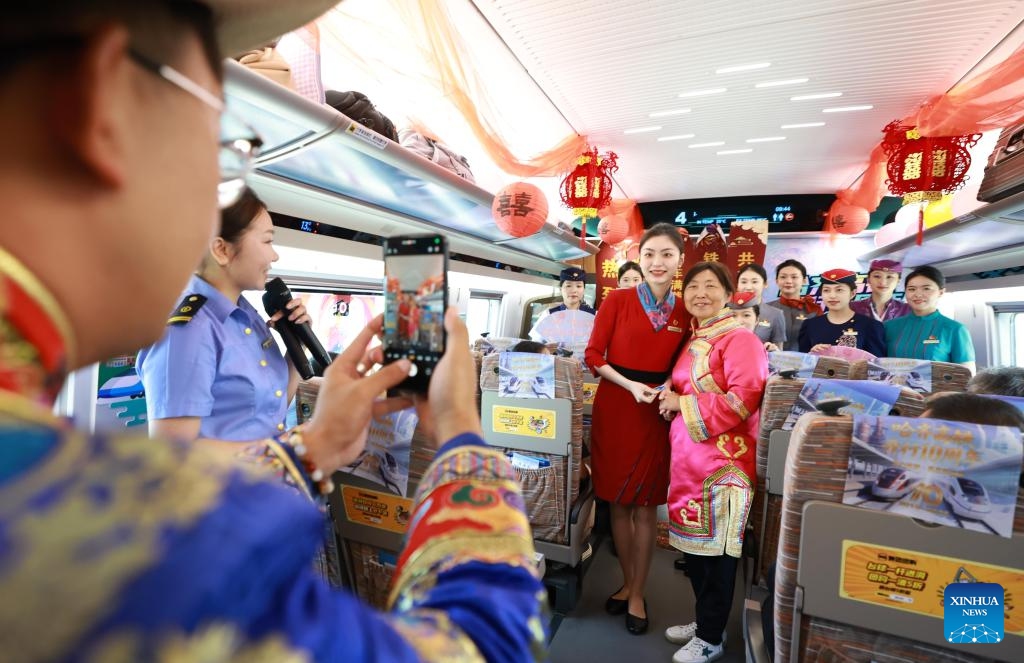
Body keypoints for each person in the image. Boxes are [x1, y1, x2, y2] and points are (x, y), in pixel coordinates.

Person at [0, 3, 546, 662]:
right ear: (103, 108)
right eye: (220, 146)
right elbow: (479, 647)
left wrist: (313, 444)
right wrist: (460, 430)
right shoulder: (129, 544)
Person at [657, 262, 768, 663]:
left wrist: (681, 402)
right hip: (690, 458)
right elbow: (688, 386)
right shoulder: (695, 337)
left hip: (725, 464)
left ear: (727, 292)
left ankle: (711, 636)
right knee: (696, 551)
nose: (700, 293)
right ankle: (706, 621)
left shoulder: (740, 340)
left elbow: (743, 399)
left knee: (718, 555)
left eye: (710, 286)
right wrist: (672, 395)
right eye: (693, 286)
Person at [137, 189, 309, 444]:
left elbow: (269, 416)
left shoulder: (247, 316)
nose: (274, 255)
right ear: (221, 249)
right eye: (267, 241)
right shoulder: (187, 332)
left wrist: (297, 348)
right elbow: (175, 457)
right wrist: (292, 453)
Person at [585, 223, 691, 635]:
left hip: (656, 412)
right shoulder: (618, 300)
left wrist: (665, 388)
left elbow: (687, 364)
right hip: (617, 402)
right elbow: (594, 355)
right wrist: (630, 385)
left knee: (646, 504)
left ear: (679, 261)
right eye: (649, 254)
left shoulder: (685, 311)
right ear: (640, 259)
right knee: (617, 502)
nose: (657, 263)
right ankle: (627, 582)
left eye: (666, 254)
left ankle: (637, 592)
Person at [884, 265, 976, 373]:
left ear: (941, 292)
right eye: (911, 289)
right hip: (892, 389)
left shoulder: (955, 329)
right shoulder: (888, 327)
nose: (917, 294)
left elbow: (967, 375)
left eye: (926, 288)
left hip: (939, 390)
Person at [798, 268, 886, 357]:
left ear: (853, 293)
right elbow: (801, 364)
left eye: (839, 290)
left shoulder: (871, 326)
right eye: (826, 290)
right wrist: (811, 354)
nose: (832, 296)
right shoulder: (810, 325)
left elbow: (877, 365)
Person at [763, 259, 821, 351]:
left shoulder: (813, 311)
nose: (788, 281)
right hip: (770, 362)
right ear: (777, 281)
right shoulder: (765, 309)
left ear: (804, 281)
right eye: (783, 277)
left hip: (804, 363)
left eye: (794, 277)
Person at [736, 264, 786, 352]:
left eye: (754, 282)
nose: (748, 287)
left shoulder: (775, 314)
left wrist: (773, 349)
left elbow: (779, 352)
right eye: (743, 282)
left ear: (765, 284)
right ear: (737, 285)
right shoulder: (726, 311)